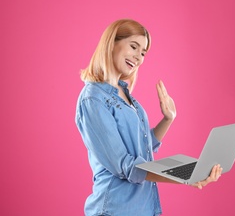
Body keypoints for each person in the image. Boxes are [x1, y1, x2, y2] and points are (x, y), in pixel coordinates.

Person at [75, 19, 222, 216]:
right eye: (134, 47)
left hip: (144, 208)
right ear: (112, 43)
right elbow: (125, 166)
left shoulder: (126, 95)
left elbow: (143, 148)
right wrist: (185, 176)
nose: (139, 57)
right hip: (115, 209)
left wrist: (168, 119)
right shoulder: (93, 99)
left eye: (143, 53)